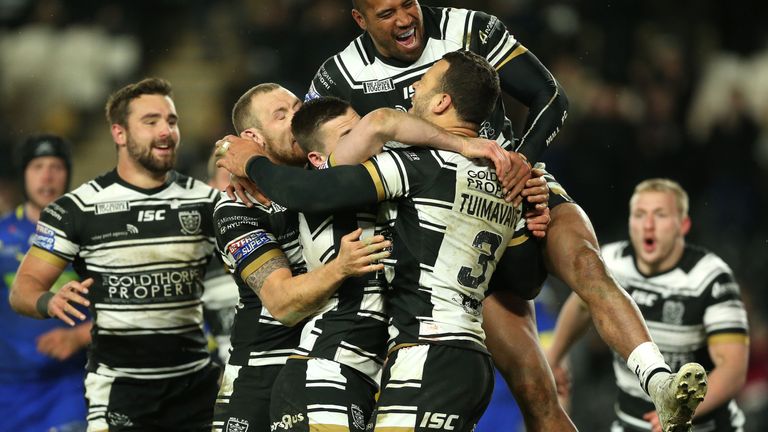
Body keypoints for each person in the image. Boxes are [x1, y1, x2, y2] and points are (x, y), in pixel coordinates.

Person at [308, 2, 707, 430]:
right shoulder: (339, 76)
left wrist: (522, 162)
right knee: (534, 391)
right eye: (387, 13)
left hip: (520, 187)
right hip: (453, 235)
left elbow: (551, 96)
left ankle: (660, 382)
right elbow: (312, 152)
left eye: (409, 3)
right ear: (359, 19)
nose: (406, 19)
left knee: (588, 264)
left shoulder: (470, 28)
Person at [221, 49, 554, 432]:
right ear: (317, 157)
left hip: (414, 357)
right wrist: (246, 159)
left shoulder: (402, 171)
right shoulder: (495, 181)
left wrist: (250, 160)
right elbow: (527, 280)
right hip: (337, 367)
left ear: (443, 101)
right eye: (351, 137)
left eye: (423, 83)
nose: (365, 144)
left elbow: (382, 126)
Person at [9, 78, 221, 431]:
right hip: (119, 392)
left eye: (171, 121)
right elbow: (23, 289)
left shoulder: (206, 201)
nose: (166, 131)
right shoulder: (76, 209)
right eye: (151, 122)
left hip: (195, 388)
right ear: (119, 134)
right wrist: (49, 301)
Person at [211, 82, 390, 432]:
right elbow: (282, 303)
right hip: (261, 372)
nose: (297, 117)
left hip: (333, 361)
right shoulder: (239, 205)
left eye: (297, 106)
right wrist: (341, 267)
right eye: (281, 115)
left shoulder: (324, 172)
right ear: (254, 137)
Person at [547, 178, 746, 432]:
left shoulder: (710, 278)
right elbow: (582, 306)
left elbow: (733, 368)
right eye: (639, 215)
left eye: (660, 215)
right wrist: (554, 356)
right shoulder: (612, 262)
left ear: (682, 225)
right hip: (631, 423)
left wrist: (680, 414)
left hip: (703, 426)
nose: (648, 225)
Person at [0, 134, 89, 431]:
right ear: (23, 174)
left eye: (56, 166)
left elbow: (122, 308)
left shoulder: (88, 238)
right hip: (8, 392)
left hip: (68, 386)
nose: (47, 176)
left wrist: (78, 337)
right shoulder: (2, 236)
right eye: (37, 166)